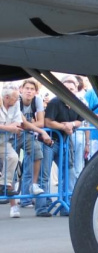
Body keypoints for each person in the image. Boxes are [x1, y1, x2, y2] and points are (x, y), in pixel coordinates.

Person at [43, 78, 84, 214]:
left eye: (71, 89)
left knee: (69, 171)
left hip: (66, 141)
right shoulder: (54, 102)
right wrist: (63, 126)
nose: (68, 91)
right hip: (50, 141)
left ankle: (67, 205)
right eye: (65, 88)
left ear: (75, 90)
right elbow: (48, 122)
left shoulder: (77, 103)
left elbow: (80, 121)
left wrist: (71, 125)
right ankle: (42, 207)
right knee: (45, 174)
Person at [18, 79, 53, 215]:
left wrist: (30, 124)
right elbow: (23, 123)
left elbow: (41, 122)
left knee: (36, 156)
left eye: (32, 89)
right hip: (12, 134)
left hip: (28, 136)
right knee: (12, 160)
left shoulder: (37, 100)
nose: (29, 91)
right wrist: (33, 125)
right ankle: (21, 198)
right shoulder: (17, 100)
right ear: (21, 89)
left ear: (36, 91)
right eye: (27, 88)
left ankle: (32, 188)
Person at [0, 84, 23, 217]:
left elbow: (18, 123)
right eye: (15, 97)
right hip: (5, 138)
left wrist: (4, 127)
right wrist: (9, 128)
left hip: (3, 142)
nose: (17, 99)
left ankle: (4, 184)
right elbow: (12, 127)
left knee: (13, 157)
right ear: (6, 97)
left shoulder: (16, 104)